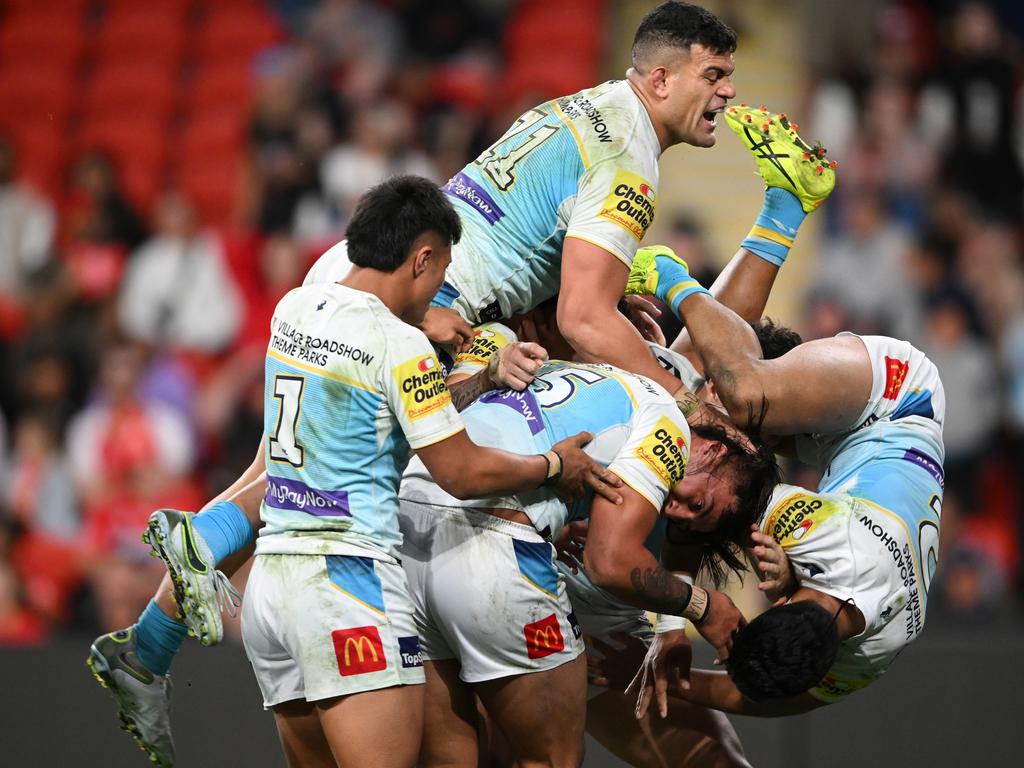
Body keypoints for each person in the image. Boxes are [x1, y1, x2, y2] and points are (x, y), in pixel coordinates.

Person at [87, 177, 622, 767]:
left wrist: (484, 378)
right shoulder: (398, 345)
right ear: (422, 259)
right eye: (443, 271)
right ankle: (175, 590)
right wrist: (553, 464)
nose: (444, 289)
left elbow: (372, 409)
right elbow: (462, 472)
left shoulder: (293, 308)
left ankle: (175, 595)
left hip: (271, 595)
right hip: (349, 585)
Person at [397, 325, 779, 767]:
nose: (676, 513)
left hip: (412, 522)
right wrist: (704, 606)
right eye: (699, 503)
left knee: (453, 757)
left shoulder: (584, 365)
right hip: (497, 545)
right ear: (717, 450)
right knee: (551, 759)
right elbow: (610, 562)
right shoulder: (668, 420)